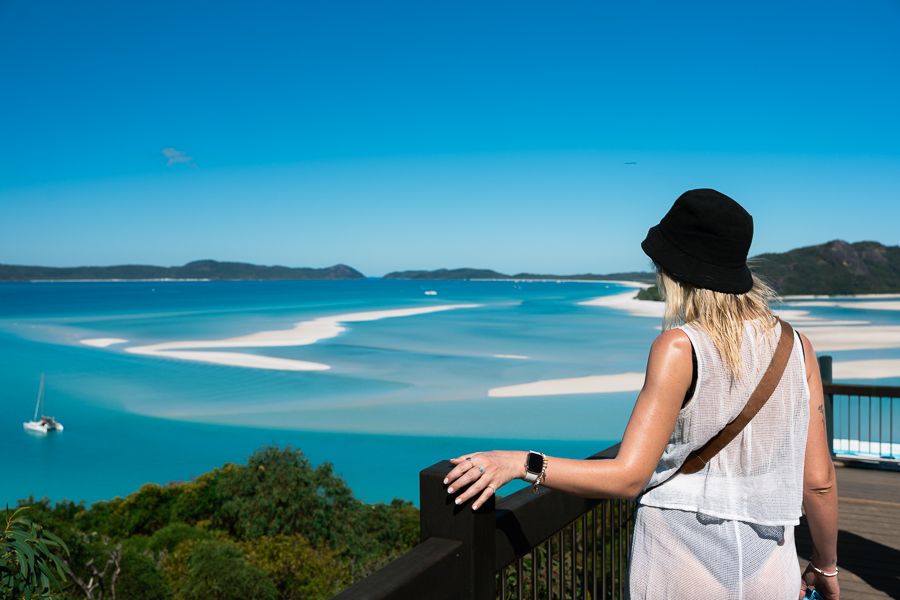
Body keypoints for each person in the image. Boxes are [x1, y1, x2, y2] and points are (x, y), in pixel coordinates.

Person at [443, 189, 839, 599]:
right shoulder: (796, 346)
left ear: (674, 271)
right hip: (770, 567)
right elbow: (819, 480)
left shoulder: (680, 348)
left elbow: (628, 477)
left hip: (680, 559)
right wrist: (826, 566)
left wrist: (520, 463)